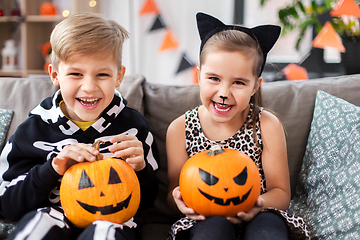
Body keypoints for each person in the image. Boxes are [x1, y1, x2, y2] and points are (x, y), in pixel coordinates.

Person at [0, 13, 159, 240]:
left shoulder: (134, 128)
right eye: (76, 74)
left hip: (113, 220)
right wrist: (52, 169)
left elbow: (148, 202)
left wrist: (141, 169)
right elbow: (6, 204)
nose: (89, 87)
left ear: (119, 77)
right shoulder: (32, 131)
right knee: (39, 225)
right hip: (52, 217)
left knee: (105, 231)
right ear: (55, 75)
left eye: (102, 74)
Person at [166, 12, 310, 240]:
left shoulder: (266, 125)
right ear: (199, 75)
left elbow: (281, 194)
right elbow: (173, 194)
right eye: (214, 78)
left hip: (260, 213)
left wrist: (256, 203)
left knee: (268, 233)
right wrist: (179, 201)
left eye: (239, 83)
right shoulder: (179, 129)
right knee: (212, 233)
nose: (224, 93)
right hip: (205, 216)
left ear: (255, 86)